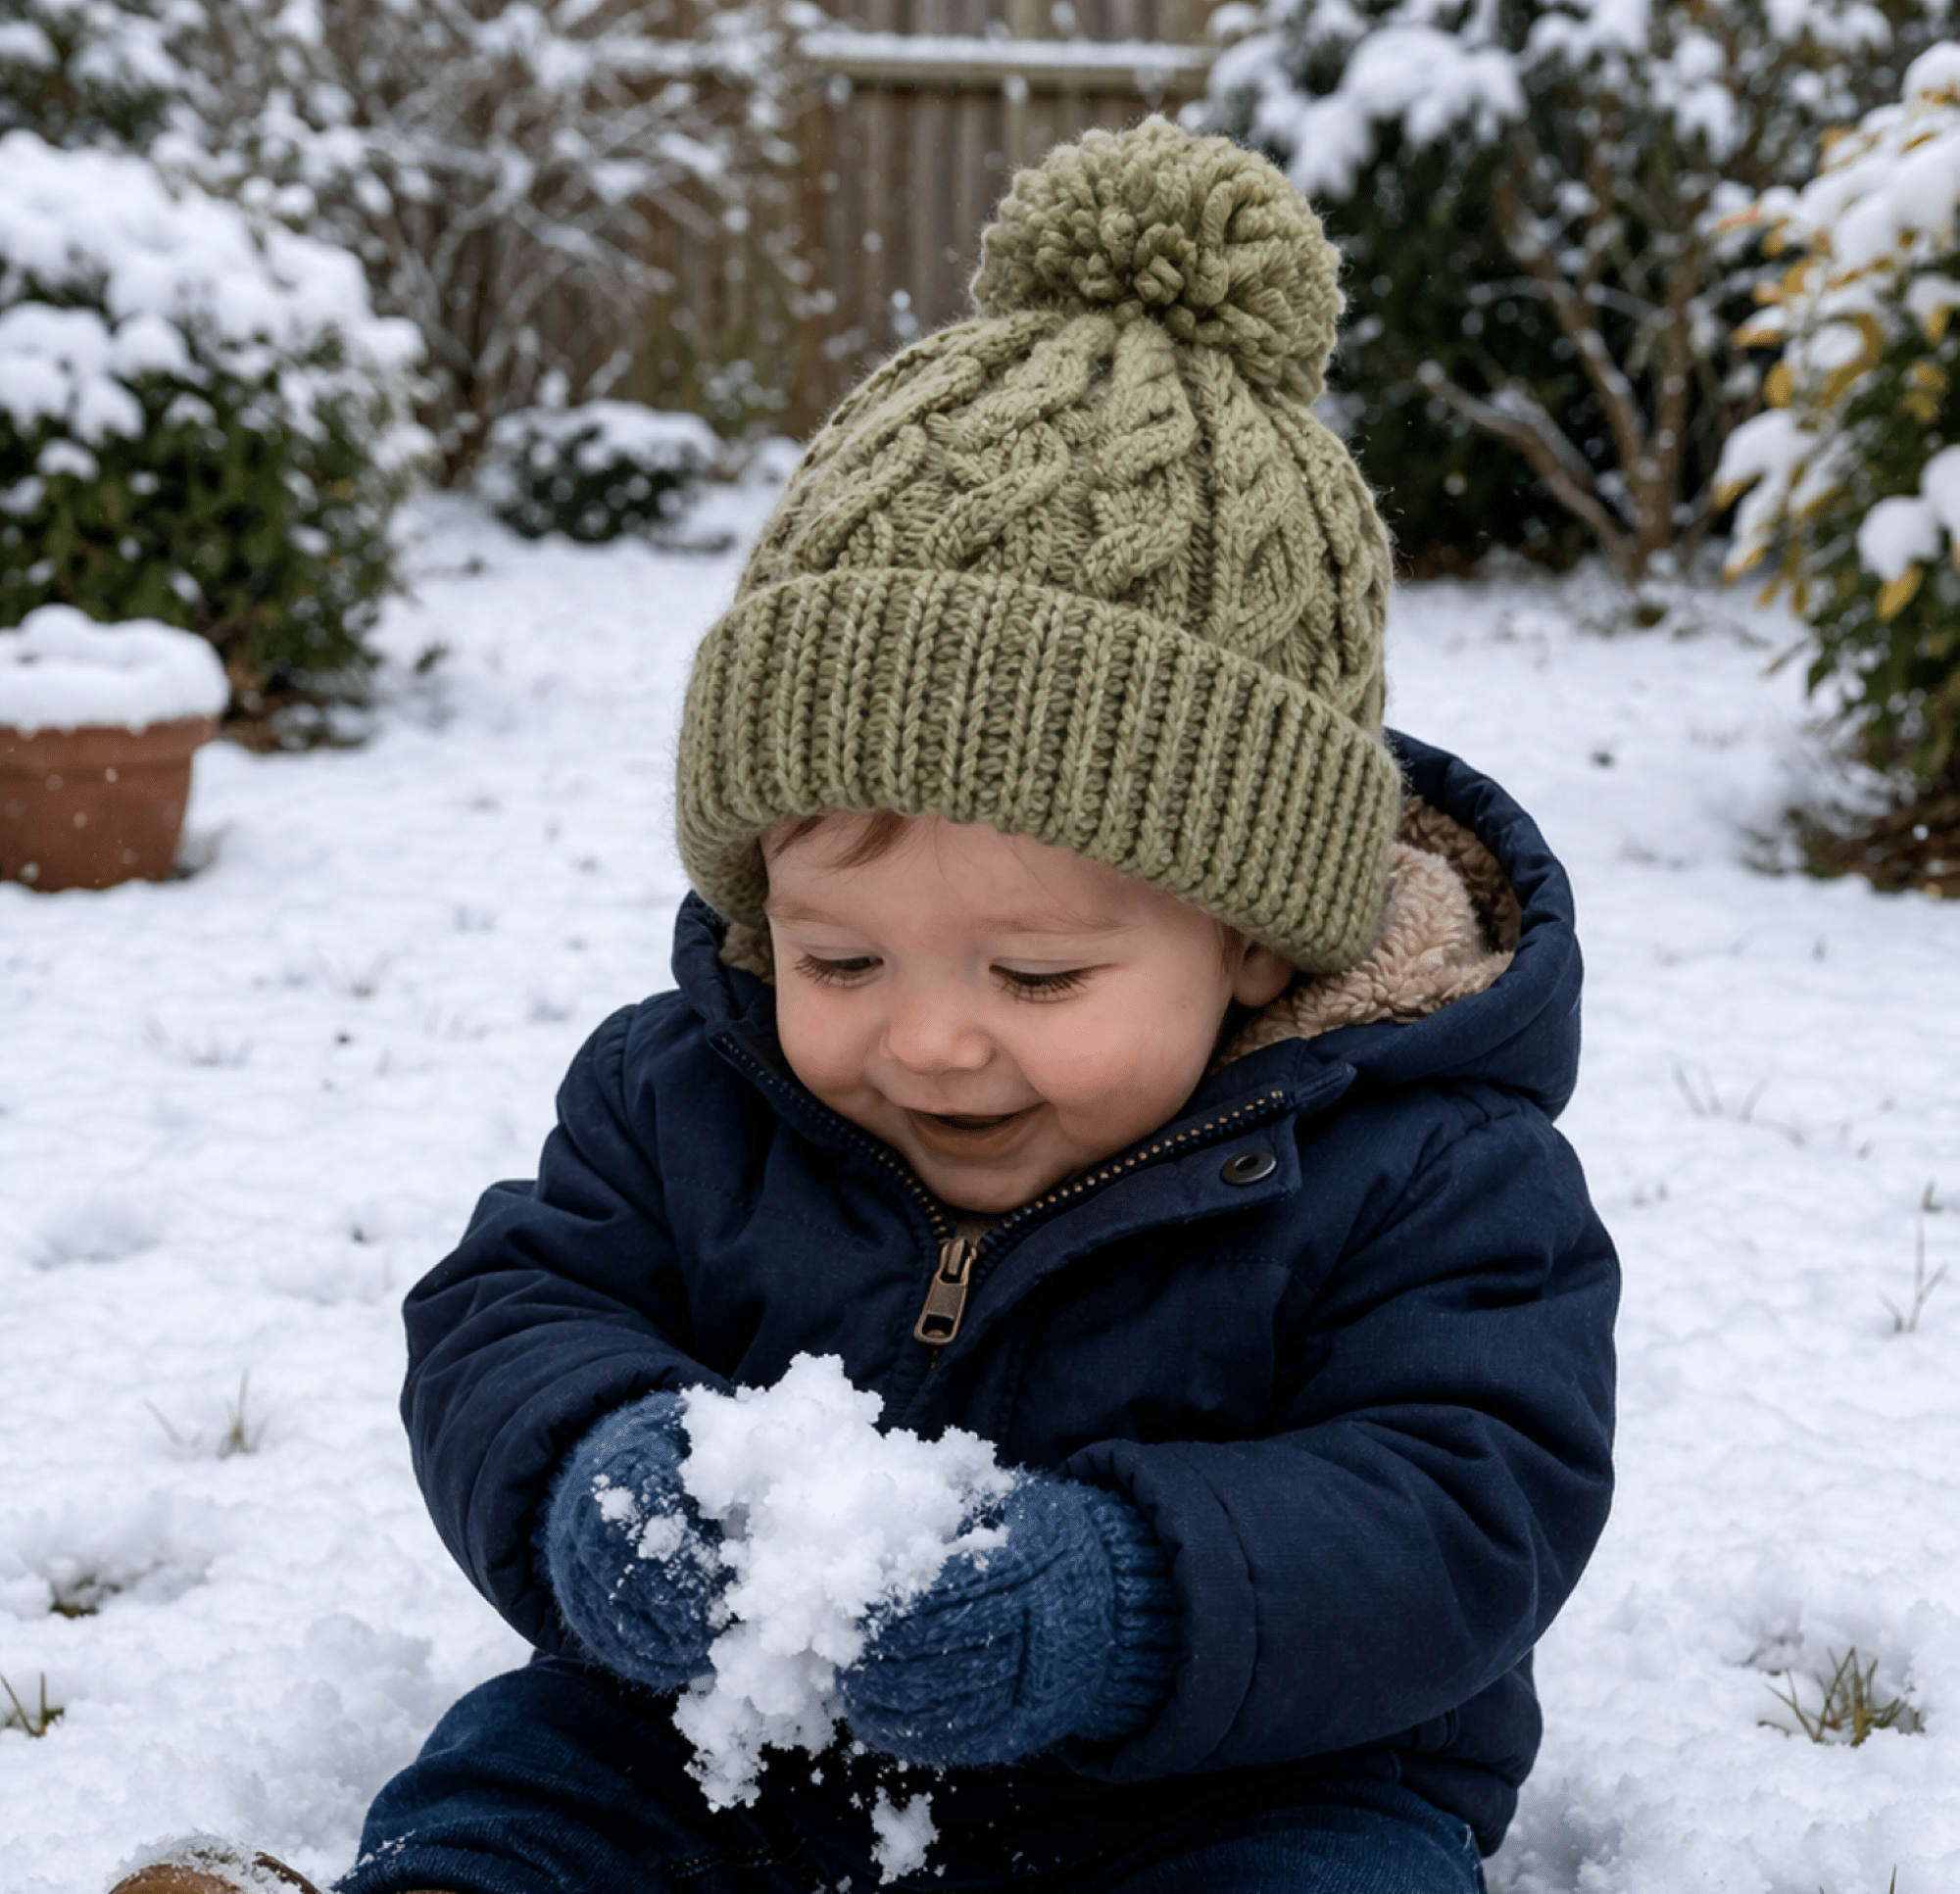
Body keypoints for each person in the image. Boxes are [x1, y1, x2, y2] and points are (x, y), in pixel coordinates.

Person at [114, 118, 1616, 1894]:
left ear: (1261, 939)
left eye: (1037, 974)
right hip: (736, 1736)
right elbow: (511, 1316)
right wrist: (602, 1479)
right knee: (536, 1786)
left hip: (1235, 1780)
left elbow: (1464, 1502)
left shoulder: (1431, 1169)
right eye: (839, 958)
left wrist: (1120, 1600)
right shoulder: (688, 1090)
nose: (929, 1041)